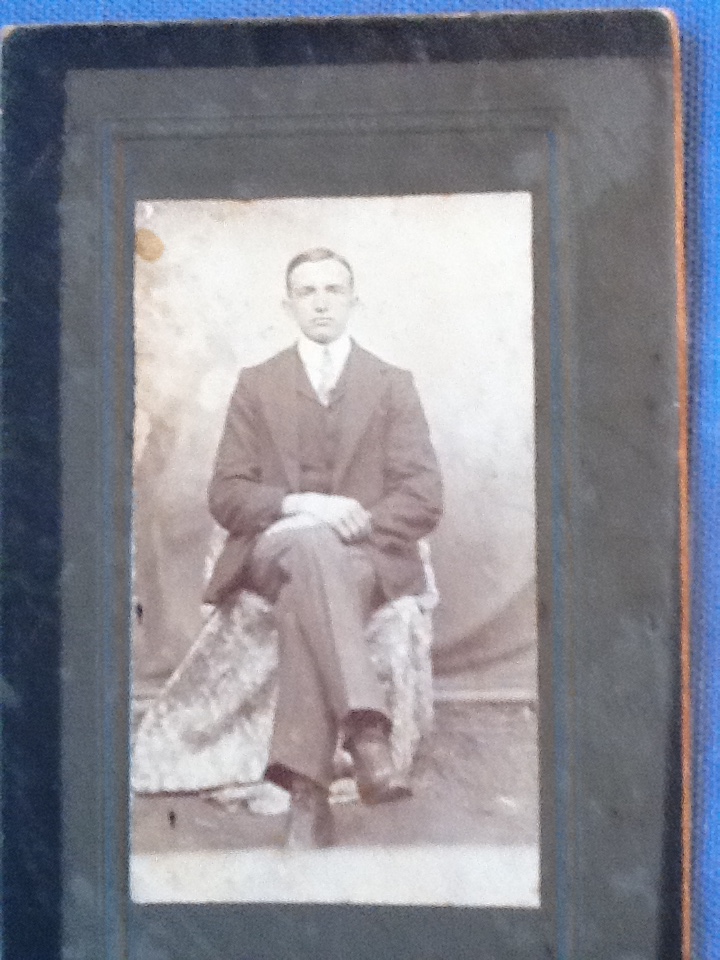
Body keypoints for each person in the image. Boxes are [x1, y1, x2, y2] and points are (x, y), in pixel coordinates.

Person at [203, 247, 443, 848]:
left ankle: (308, 800)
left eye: (333, 290)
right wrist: (302, 505)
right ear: (288, 304)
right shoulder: (258, 383)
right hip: (275, 548)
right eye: (306, 291)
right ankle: (367, 734)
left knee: (306, 592)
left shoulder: (391, 384)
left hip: (364, 556)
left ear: (354, 301)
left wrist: (351, 522)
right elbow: (226, 494)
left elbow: (423, 497)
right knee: (308, 548)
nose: (320, 303)